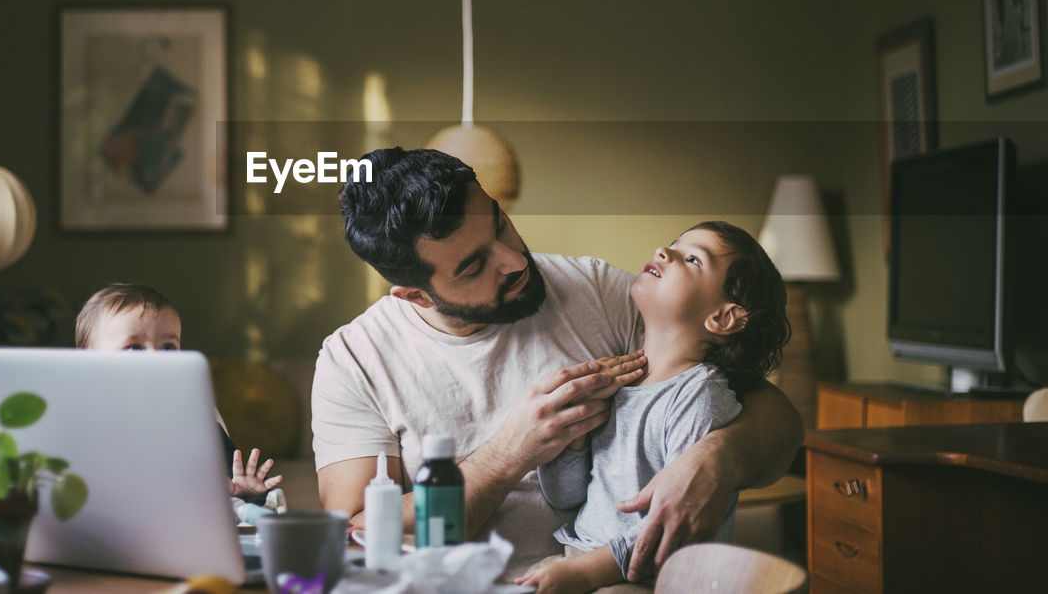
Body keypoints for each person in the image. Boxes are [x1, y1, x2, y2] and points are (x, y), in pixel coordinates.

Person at [313, 148, 803, 579]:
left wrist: (718, 459)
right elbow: (356, 531)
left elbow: (768, 414)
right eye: (475, 265)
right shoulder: (353, 360)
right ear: (417, 295)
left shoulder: (599, 291)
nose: (514, 260)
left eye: (500, 223)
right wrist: (511, 453)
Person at [515, 222, 789, 592]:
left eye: (692, 259)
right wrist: (575, 440)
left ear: (723, 318)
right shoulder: (621, 382)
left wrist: (585, 573)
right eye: (674, 245)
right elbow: (567, 498)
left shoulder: (698, 397)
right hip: (579, 557)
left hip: (651, 577)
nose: (664, 251)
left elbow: (676, 528)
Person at [76, 283, 283, 502]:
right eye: (134, 347)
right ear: (88, 361)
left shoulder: (197, 418)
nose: (155, 358)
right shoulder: (78, 421)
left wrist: (246, 493)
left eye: (167, 347)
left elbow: (231, 491)